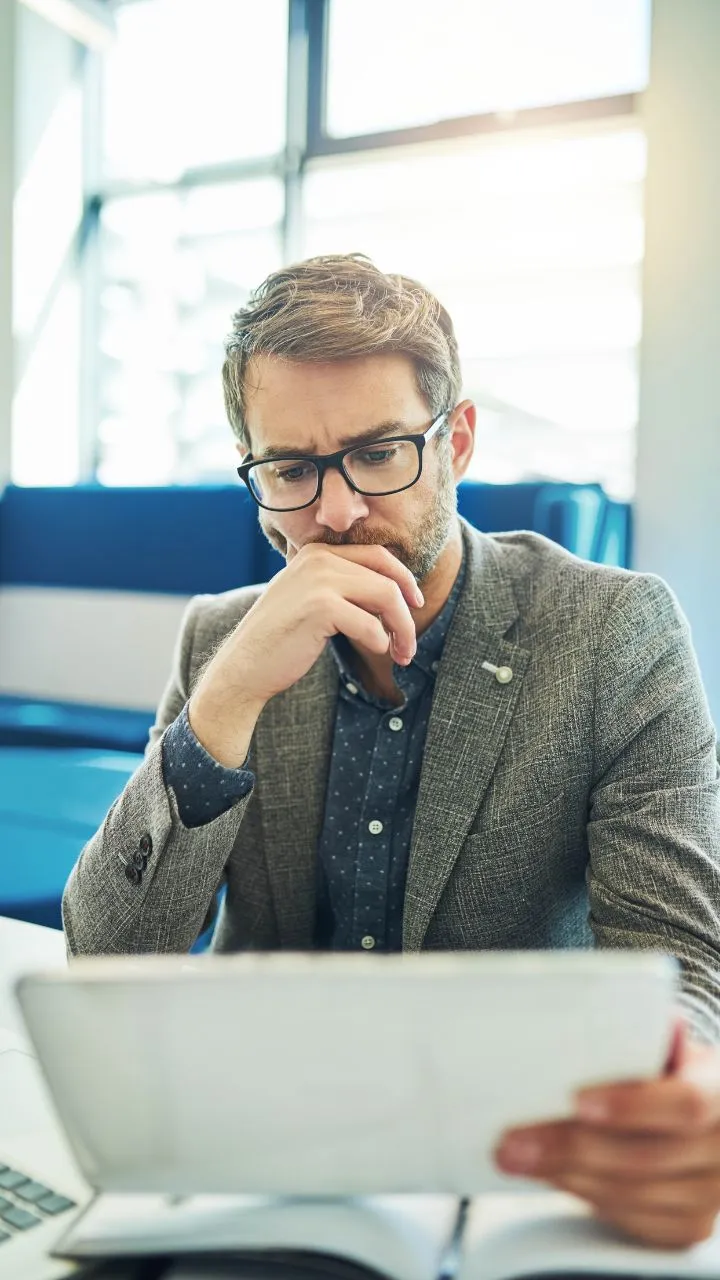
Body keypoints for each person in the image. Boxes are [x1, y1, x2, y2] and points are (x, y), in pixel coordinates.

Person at [63, 254, 720, 1248]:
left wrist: (688, 1099)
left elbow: (684, 971)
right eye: (290, 469)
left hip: (518, 1167)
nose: (332, 511)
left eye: (378, 454)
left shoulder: (613, 631)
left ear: (454, 438)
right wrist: (229, 696)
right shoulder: (219, 640)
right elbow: (106, 957)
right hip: (269, 1167)